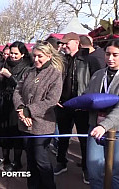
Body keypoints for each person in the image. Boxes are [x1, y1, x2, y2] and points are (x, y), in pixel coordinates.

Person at [13, 41, 64, 189]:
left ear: (48, 56)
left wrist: (29, 111)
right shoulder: (29, 71)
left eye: (39, 56)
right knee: (30, 160)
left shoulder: (55, 74)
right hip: (25, 124)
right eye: (34, 56)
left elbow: (52, 100)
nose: (36, 59)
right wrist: (21, 109)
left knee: (41, 160)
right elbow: (17, 91)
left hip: (43, 125)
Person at [54, 32, 92, 184]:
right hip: (63, 104)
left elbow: (93, 82)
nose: (63, 46)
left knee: (84, 139)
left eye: (66, 43)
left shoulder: (88, 59)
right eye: (62, 43)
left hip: (81, 105)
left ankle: (86, 168)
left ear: (76, 42)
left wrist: (88, 101)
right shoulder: (61, 60)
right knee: (63, 136)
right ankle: (61, 162)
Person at [0, 41, 31, 171]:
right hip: (4, 102)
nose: (12, 56)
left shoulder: (26, 67)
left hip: (17, 103)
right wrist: (0, 78)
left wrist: (10, 77)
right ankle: (6, 158)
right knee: (3, 131)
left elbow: (23, 86)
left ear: (22, 54)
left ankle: (17, 161)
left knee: (16, 132)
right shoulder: (5, 63)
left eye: (15, 54)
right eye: (10, 53)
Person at [84, 40, 119, 189]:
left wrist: (105, 126)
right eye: (107, 54)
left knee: (115, 174)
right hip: (95, 128)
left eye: (115, 55)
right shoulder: (98, 74)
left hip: (116, 131)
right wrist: (81, 103)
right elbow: (88, 95)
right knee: (93, 171)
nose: (110, 58)